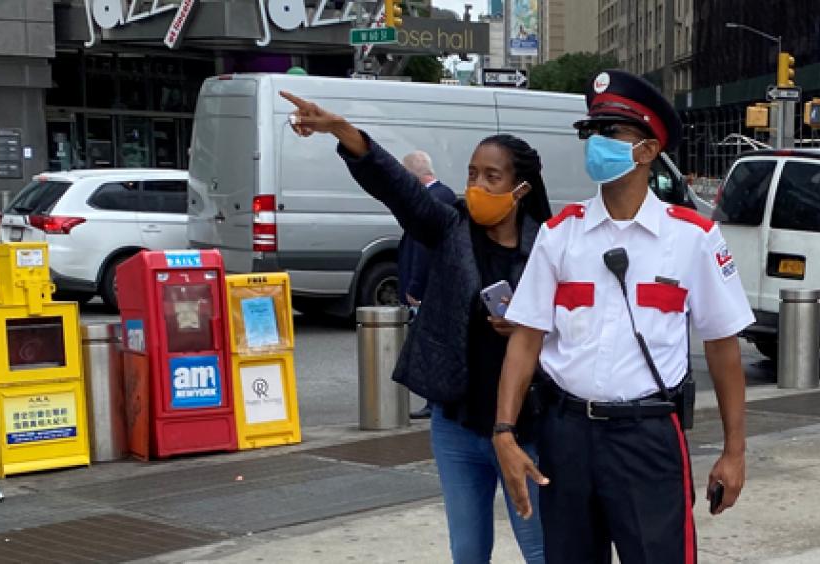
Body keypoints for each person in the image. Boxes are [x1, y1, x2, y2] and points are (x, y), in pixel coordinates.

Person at [492, 69, 754, 563]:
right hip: (566, 436)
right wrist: (504, 431)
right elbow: (525, 339)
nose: (597, 143)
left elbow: (723, 347)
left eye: (612, 132)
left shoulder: (693, 238)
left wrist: (734, 451)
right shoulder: (559, 234)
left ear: (649, 150)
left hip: (647, 438)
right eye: (592, 132)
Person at [279, 91, 548, 564]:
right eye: (471, 173)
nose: (477, 185)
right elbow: (396, 186)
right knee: (468, 550)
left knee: (541, 548)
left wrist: (531, 329)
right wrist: (343, 130)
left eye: (492, 176)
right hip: (457, 425)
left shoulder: (550, 246)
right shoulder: (449, 228)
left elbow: (579, 330)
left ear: (521, 188)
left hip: (525, 427)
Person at [397, 150, 459, 420]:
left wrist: (415, 286)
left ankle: (435, 402)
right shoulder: (441, 195)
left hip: (429, 287)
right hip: (430, 284)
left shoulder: (433, 199)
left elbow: (424, 248)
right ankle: (434, 401)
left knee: (432, 344)